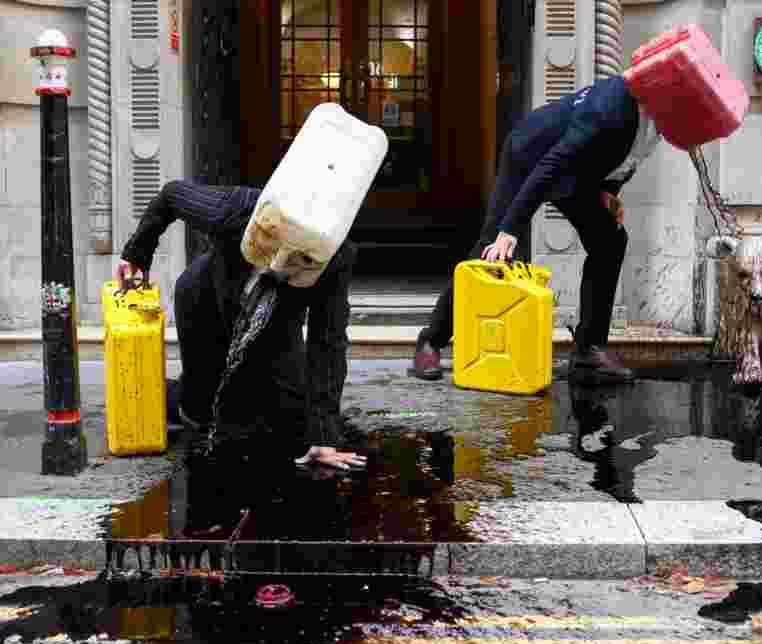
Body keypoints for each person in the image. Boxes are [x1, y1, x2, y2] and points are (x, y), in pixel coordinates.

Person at [410, 71, 664, 385]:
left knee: (610, 240)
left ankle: (589, 350)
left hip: (575, 176)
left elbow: (623, 158)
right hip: (531, 157)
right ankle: (430, 341)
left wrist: (608, 193)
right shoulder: (610, 105)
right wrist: (510, 230)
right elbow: (551, 163)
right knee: (491, 250)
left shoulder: (661, 120)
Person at [116, 180, 366, 471]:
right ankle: (155, 397)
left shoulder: (336, 254)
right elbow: (171, 195)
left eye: (299, 259)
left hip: (279, 315)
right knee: (203, 409)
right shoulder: (239, 208)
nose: (280, 264)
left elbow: (328, 341)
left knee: (292, 415)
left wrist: (324, 438)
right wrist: (137, 255)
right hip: (206, 300)